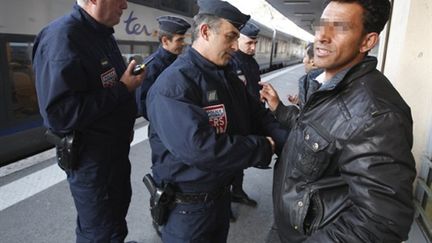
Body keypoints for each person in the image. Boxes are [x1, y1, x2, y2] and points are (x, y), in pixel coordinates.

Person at [260, 0, 416, 242]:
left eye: (340, 27)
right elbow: (317, 133)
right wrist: (280, 109)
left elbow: (380, 223)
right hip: (289, 226)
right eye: (322, 25)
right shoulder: (322, 85)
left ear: (367, 41)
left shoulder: (377, 114)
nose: (322, 36)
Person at [145, 0, 288, 242]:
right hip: (187, 212)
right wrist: (265, 147)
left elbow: (256, 115)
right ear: (205, 32)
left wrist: (292, 143)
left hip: (218, 200)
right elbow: (201, 149)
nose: (235, 46)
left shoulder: (227, 77)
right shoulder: (174, 86)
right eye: (230, 37)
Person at [32, 0, 145, 242]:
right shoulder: (63, 38)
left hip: (112, 155)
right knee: (99, 231)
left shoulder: (101, 35)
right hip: (92, 162)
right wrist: (124, 88)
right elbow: (60, 115)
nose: (125, 5)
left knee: (114, 219)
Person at [228, 21, 261, 207]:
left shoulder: (253, 63)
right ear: (238, 39)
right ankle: (225, 200)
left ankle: (237, 192)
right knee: (229, 162)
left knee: (241, 161)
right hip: (233, 121)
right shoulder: (230, 61)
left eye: (255, 43)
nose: (253, 47)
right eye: (249, 43)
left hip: (248, 118)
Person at [137, 15, 191, 119]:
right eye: (179, 40)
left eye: (183, 39)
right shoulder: (151, 67)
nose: (183, 43)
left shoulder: (178, 61)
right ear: (165, 41)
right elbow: (143, 104)